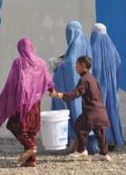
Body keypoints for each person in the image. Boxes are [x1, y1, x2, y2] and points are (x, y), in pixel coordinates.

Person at [0, 38, 54, 167]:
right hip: (35, 103)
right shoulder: (41, 63)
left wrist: (4, 96)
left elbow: (12, 83)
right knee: (30, 130)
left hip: (22, 103)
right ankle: (31, 160)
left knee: (14, 126)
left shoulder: (18, 62)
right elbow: (48, 79)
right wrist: (52, 90)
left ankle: (31, 147)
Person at [51, 56, 111, 161]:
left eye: (77, 64)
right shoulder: (92, 77)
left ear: (83, 66)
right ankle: (105, 153)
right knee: (99, 131)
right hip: (100, 110)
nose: (75, 67)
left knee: (79, 125)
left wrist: (61, 95)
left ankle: (82, 150)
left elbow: (77, 93)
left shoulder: (84, 79)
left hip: (91, 111)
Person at [51, 21, 98, 154]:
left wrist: (58, 65)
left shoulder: (76, 43)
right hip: (84, 83)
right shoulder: (84, 41)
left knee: (75, 113)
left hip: (74, 85)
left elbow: (70, 64)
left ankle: (79, 144)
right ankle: (89, 144)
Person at [90, 23, 124, 151]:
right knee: (112, 112)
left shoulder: (92, 49)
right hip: (112, 89)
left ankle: (98, 143)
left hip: (98, 89)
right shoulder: (112, 48)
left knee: (97, 113)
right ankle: (112, 140)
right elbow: (118, 64)